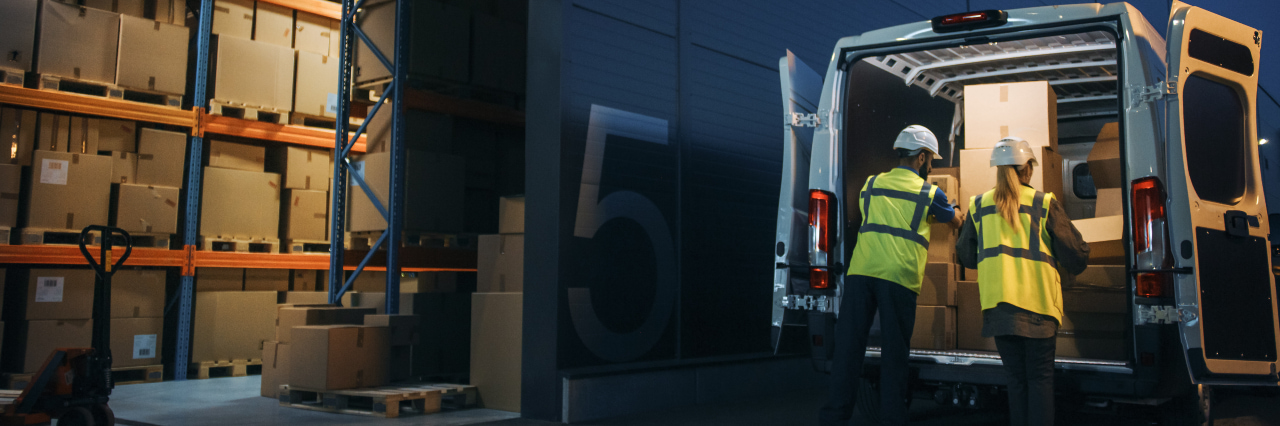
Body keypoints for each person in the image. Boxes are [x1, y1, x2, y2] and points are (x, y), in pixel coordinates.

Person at [821, 125, 963, 426]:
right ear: (922, 158)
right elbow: (955, 219)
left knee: (848, 350)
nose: (932, 166)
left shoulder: (871, 184)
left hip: (861, 273)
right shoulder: (930, 192)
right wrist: (958, 209)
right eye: (932, 160)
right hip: (898, 277)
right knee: (894, 354)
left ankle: (832, 419)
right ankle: (892, 420)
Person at [954, 137, 1089, 426]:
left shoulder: (978, 205)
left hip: (999, 310)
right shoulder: (1043, 203)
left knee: (1016, 381)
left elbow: (965, 256)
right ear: (1027, 169)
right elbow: (1076, 256)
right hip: (1038, 307)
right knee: (1040, 380)